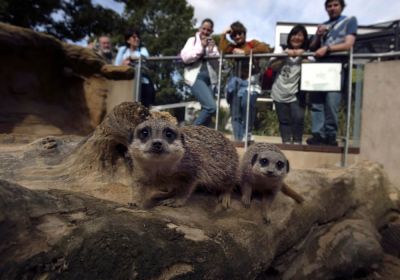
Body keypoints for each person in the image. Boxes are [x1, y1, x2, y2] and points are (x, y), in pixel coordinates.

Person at [306, 0, 358, 146]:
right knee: (317, 103)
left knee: (331, 102)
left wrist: (327, 48)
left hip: (337, 66)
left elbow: (348, 44)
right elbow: (312, 47)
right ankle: (318, 134)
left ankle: (330, 136)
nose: (332, 8)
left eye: (335, 5)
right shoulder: (323, 24)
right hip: (320, 67)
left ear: (341, 6)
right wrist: (317, 35)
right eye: (329, 6)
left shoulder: (349, 20)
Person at [219, 21, 272, 142]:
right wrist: (223, 34)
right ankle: (239, 139)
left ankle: (247, 133)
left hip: (251, 82)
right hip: (236, 83)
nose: (237, 37)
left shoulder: (252, 43)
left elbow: (265, 48)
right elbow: (222, 49)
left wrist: (245, 53)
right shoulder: (232, 48)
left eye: (240, 33)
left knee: (247, 104)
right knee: (235, 113)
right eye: (234, 35)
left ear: (244, 33)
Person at [270, 25, 309, 145]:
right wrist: (285, 55)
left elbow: (312, 67)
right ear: (289, 37)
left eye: (300, 35)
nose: (296, 38)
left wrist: (302, 56)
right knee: (284, 120)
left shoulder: (307, 52)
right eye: (294, 34)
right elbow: (272, 66)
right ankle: (286, 143)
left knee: (298, 118)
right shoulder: (280, 50)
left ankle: (297, 142)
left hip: (296, 93)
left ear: (304, 38)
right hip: (279, 91)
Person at [180, 18, 219, 127]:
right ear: (199, 29)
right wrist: (201, 47)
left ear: (211, 32)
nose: (206, 32)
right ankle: (190, 133)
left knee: (208, 113)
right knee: (211, 107)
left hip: (211, 81)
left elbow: (217, 65)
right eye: (204, 29)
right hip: (195, 78)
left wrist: (211, 52)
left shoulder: (213, 45)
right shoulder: (192, 41)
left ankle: (201, 141)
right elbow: (185, 58)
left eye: (209, 30)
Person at [114, 28, 156, 108]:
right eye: (134, 37)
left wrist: (131, 58)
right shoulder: (123, 50)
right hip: (126, 83)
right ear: (128, 40)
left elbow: (144, 59)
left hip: (142, 83)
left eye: (138, 37)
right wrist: (124, 63)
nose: (137, 39)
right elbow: (116, 65)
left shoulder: (142, 49)